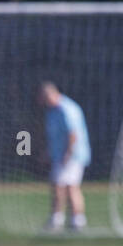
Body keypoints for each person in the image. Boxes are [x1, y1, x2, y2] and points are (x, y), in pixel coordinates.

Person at [38, 82, 92, 233]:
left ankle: (74, 220)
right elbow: (55, 136)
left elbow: (73, 134)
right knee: (59, 185)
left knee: (68, 186)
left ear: (52, 94)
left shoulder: (67, 109)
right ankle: (61, 219)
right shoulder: (52, 111)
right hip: (60, 156)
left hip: (71, 155)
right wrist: (48, 152)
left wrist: (68, 154)